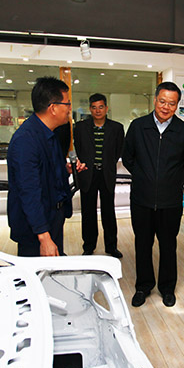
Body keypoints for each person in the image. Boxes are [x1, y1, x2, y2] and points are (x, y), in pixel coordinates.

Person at [122, 82, 184, 308]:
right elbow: (128, 157)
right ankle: (143, 286)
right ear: (155, 100)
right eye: (162, 101)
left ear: (177, 105)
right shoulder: (138, 127)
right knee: (142, 245)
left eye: (171, 103)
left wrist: (172, 183)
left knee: (168, 245)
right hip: (141, 200)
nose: (166, 107)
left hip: (170, 202)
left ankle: (167, 288)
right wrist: (143, 178)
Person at [7, 77, 84, 257]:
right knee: (39, 271)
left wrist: (65, 170)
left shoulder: (50, 134)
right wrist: (44, 237)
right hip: (35, 227)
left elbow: (46, 171)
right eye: (67, 103)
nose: (69, 109)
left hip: (53, 217)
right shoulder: (26, 140)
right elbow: (29, 191)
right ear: (53, 108)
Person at [73, 93, 125, 258]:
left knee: (108, 212)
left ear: (106, 108)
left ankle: (111, 246)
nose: (97, 111)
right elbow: (79, 149)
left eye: (101, 107)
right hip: (88, 174)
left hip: (106, 173)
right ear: (90, 109)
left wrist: (107, 164)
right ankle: (88, 246)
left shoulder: (116, 128)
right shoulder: (80, 128)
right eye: (94, 107)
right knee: (88, 212)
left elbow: (118, 150)